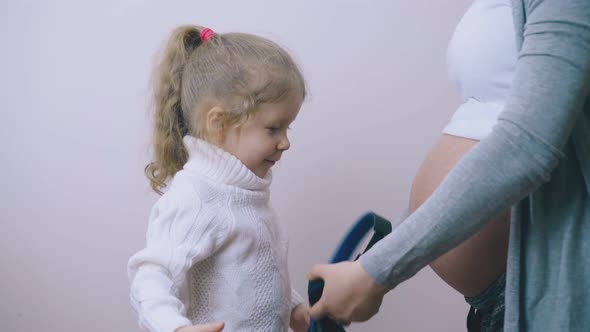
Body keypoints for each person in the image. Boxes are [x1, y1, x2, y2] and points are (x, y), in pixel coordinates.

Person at [307, 0, 590, 331]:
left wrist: (377, 271)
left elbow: (527, 146)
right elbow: (479, 125)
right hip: (492, 302)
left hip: (540, 281)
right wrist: (374, 261)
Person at [127, 25, 310, 332]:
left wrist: (294, 307)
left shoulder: (244, 192)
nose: (285, 143)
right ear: (219, 123)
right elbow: (151, 274)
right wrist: (175, 327)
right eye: (273, 128)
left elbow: (253, 271)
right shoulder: (196, 195)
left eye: (287, 129)